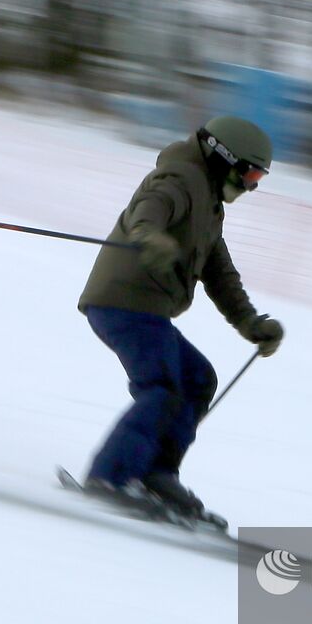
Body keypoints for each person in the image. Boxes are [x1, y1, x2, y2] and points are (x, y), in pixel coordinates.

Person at [78, 116, 285, 522]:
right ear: (222, 157)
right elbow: (149, 210)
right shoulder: (179, 178)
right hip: (122, 302)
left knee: (196, 380)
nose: (250, 186)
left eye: (258, 177)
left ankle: (155, 472)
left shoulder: (209, 203)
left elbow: (219, 273)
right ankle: (112, 476)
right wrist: (149, 236)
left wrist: (249, 322)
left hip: (148, 310)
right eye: (249, 173)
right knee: (163, 386)